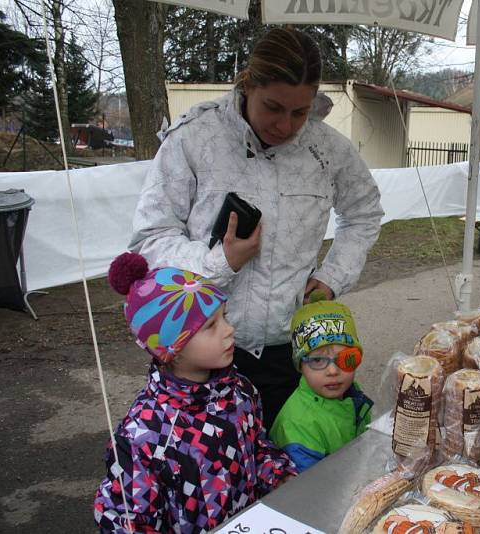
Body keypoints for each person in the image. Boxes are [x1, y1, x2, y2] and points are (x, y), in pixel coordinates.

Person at [129, 27, 384, 429]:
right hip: (200, 352)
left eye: (300, 112)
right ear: (248, 84)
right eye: (273, 107)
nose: (285, 125)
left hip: (291, 350)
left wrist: (332, 276)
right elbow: (151, 239)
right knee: (212, 477)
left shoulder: (329, 150)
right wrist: (220, 261)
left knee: (291, 474)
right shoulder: (195, 138)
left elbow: (365, 212)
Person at [94, 252, 297, 533]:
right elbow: (126, 519)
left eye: (224, 317)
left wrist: (280, 476)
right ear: (172, 350)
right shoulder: (144, 434)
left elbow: (258, 449)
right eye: (210, 326)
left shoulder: (240, 391)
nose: (229, 330)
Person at [269, 294, 372, 471]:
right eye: (317, 361)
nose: (333, 371)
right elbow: (311, 487)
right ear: (300, 366)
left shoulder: (352, 394)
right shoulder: (298, 426)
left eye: (346, 359)